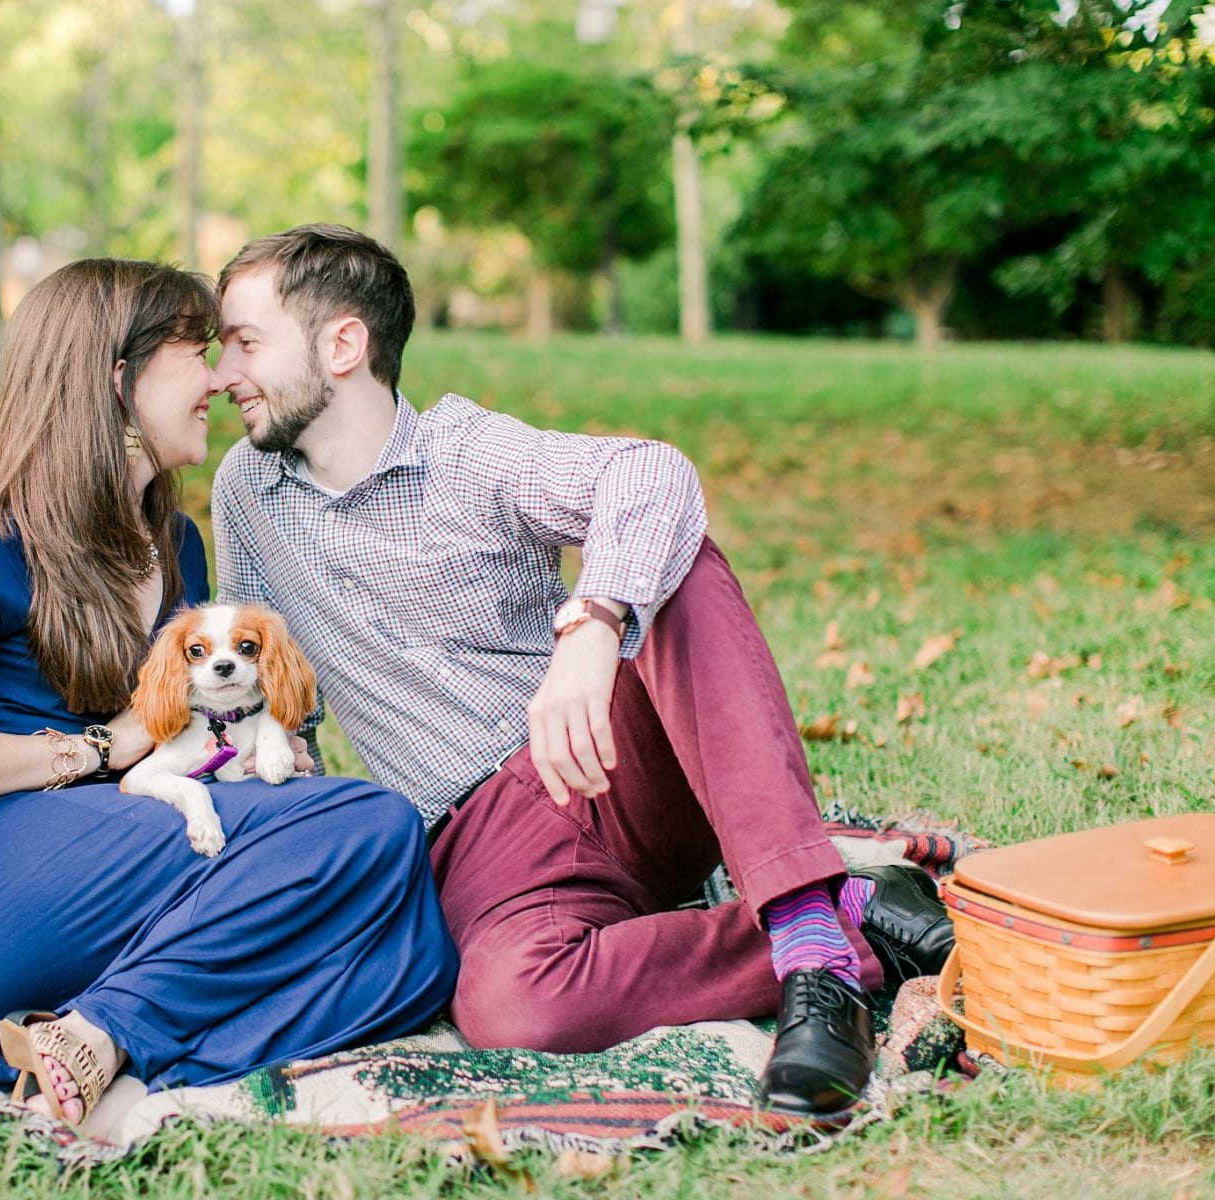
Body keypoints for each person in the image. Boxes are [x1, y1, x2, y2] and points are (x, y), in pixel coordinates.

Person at [207, 224, 955, 1116]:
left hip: (603, 762)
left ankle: (815, 966)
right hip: (478, 850)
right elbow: (270, 703)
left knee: (675, 564)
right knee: (508, 1006)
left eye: (246, 343)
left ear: (342, 344)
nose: (224, 374)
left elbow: (652, 474)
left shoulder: (467, 452)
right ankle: (842, 919)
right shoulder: (246, 492)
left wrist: (593, 627)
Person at [0, 258, 457, 1126]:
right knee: (378, 823)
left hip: (144, 849)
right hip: (18, 875)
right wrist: (99, 748)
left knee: (419, 961)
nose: (218, 377)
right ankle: (105, 1028)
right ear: (118, 378)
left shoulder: (173, 542)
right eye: (192, 350)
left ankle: (108, 1054)